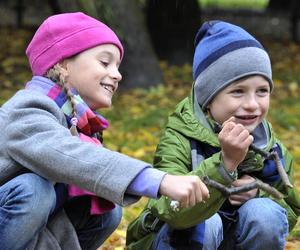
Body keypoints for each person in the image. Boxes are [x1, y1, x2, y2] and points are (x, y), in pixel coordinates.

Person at [0, 12, 210, 250]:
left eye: (117, 66)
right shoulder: (26, 109)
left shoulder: (74, 119)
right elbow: (70, 156)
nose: (117, 74)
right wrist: (157, 180)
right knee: (34, 191)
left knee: (103, 205)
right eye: (104, 62)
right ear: (62, 65)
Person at [126, 20, 300, 250]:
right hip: (177, 239)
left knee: (266, 215)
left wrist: (258, 192)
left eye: (262, 91)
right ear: (208, 99)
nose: (252, 104)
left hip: (233, 238)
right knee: (206, 224)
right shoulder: (179, 138)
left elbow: (288, 212)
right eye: (237, 91)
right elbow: (172, 210)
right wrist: (225, 165)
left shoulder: (270, 146)